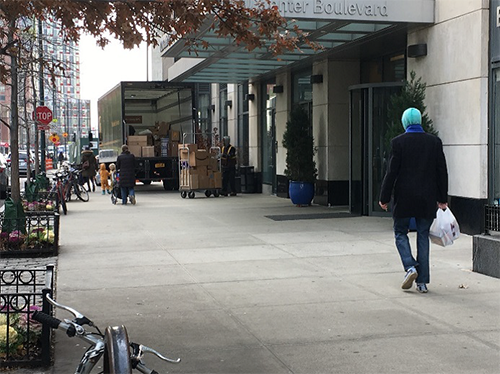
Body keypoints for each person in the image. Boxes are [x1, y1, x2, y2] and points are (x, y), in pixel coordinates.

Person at [379, 107, 448, 294]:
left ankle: (410, 267)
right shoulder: (434, 142)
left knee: (400, 232)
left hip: (404, 198)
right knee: (423, 235)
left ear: (404, 123)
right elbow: (441, 171)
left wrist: (384, 198)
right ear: (420, 121)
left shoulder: (398, 143)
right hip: (427, 198)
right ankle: (422, 282)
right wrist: (442, 198)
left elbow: (391, 173)